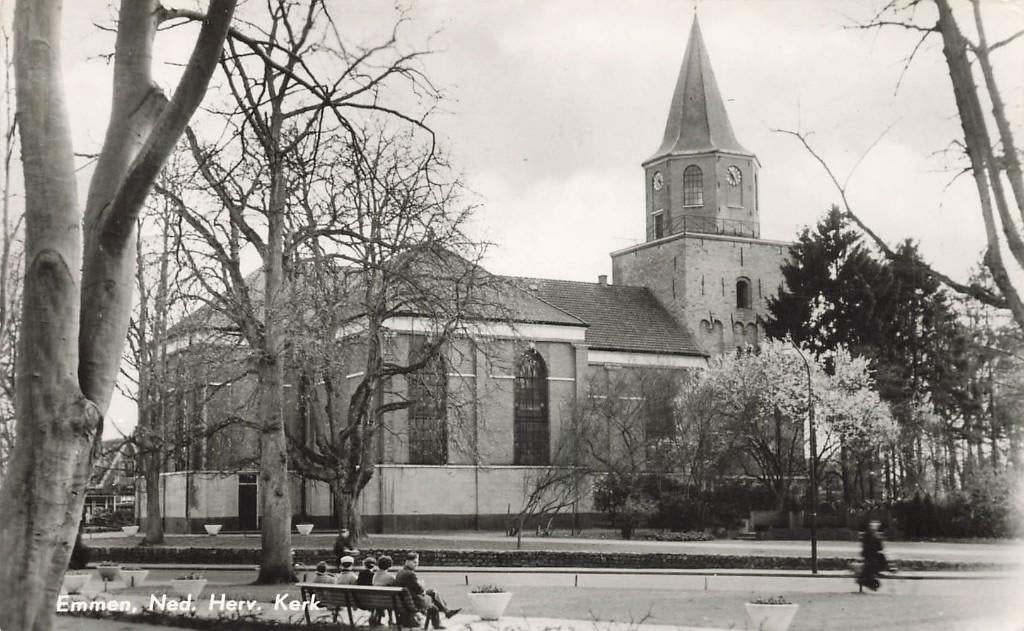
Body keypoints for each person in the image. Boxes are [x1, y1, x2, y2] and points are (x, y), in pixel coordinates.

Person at [394, 552, 460, 629]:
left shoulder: (400, 572)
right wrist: (421, 585)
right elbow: (420, 590)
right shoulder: (410, 574)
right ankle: (441, 618)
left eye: (417, 562)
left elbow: (414, 588)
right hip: (414, 601)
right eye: (414, 562)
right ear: (407, 562)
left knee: (433, 592)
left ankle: (446, 611)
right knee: (434, 605)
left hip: (405, 599)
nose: (416, 564)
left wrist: (420, 587)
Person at [857, 520, 888, 592]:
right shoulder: (873, 536)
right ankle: (868, 581)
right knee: (873, 564)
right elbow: (880, 547)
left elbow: (878, 547)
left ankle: (869, 580)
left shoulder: (869, 536)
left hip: (869, 556)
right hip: (871, 557)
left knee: (874, 563)